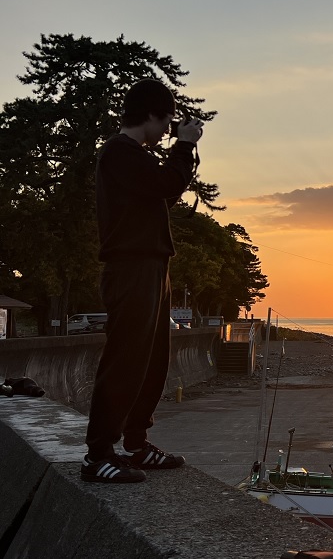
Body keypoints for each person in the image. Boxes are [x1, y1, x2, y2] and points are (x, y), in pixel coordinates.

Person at [81, 79, 204, 484]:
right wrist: (184, 146)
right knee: (126, 358)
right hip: (131, 265)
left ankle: (136, 444)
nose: (167, 128)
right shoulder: (119, 151)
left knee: (152, 360)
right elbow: (166, 183)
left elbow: (162, 192)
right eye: (167, 119)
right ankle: (98, 454)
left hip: (151, 265)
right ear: (150, 115)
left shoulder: (135, 158)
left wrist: (182, 153)